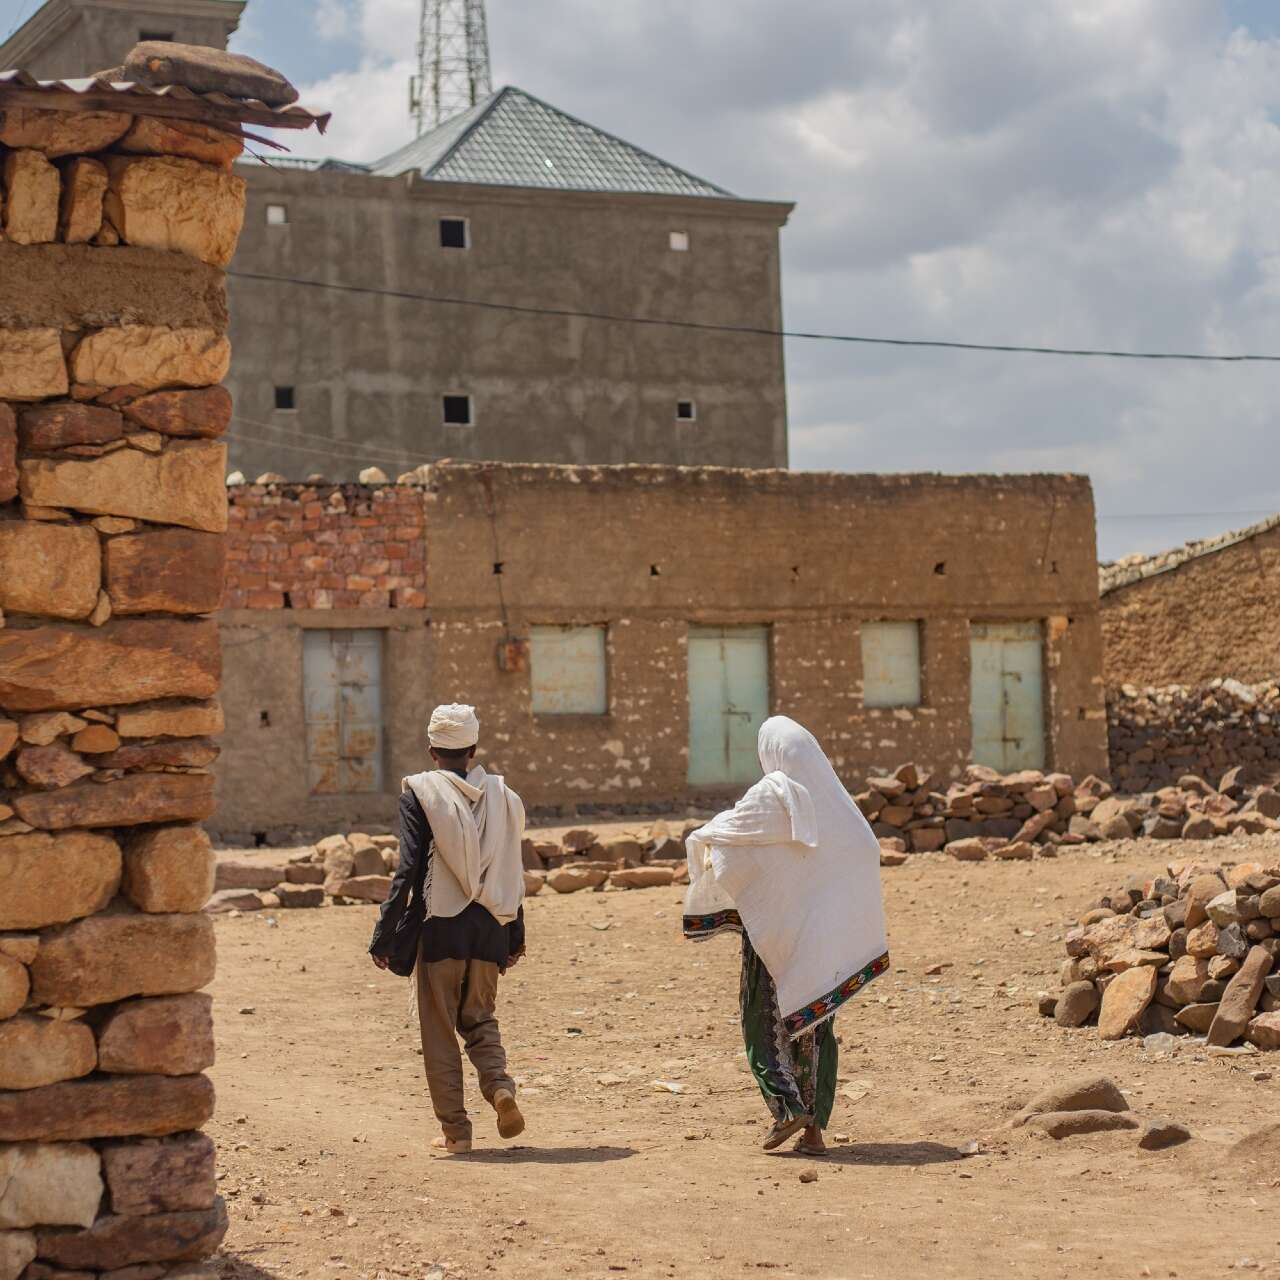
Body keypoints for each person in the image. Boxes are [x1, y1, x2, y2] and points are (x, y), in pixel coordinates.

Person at [683, 716, 889, 1155]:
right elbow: (863, 854)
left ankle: (785, 1109)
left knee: (762, 1023)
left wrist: (700, 838)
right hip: (824, 945)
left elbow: (725, 836)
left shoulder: (770, 795)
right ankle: (814, 1131)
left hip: (774, 938)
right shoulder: (838, 806)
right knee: (815, 1028)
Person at [370, 703, 528, 1155]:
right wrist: (516, 936)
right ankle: (500, 1087)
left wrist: (384, 934)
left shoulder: (420, 794)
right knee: (480, 1019)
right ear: (473, 749)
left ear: (432, 750)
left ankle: (456, 1133)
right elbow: (511, 871)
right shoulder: (505, 795)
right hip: (492, 927)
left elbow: (409, 870)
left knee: (439, 1029)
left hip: (441, 929)